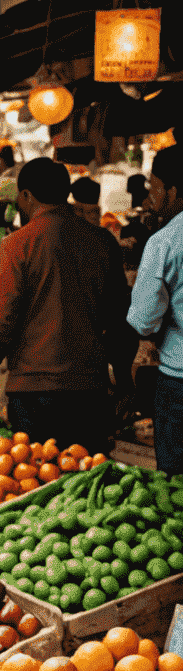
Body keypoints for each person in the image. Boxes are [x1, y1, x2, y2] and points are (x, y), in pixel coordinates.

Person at [0, 158, 135, 451]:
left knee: (37, 480)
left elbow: (0, 321)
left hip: (34, 392)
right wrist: (122, 380)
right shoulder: (102, 241)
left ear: (26, 196)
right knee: (85, 476)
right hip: (89, 387)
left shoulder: (17, 244)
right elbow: (120, 319)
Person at [128, 146, 183, 470]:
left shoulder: (166, 240)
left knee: (176, 489)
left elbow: (143, 320)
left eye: (154, 187)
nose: (151, 197)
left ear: (173, 191)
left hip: (178, 381)